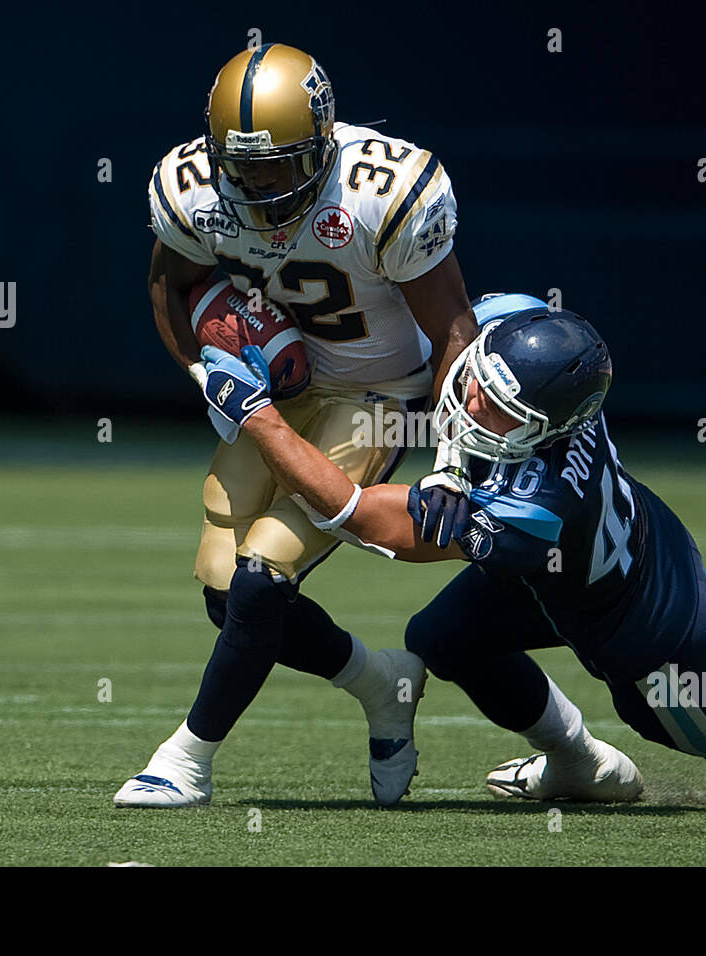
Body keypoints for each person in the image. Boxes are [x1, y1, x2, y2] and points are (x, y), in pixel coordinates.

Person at [185, 293, 706, 805]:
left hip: (645, 624)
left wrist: (257, 414)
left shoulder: (533, 506)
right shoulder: (517, 334)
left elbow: (363, 517)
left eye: (503, 412)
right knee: (443, 639)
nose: (476, 405)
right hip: (598, 554)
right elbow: (461, 335)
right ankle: (575, 761)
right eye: (480, 385)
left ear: (548, 427)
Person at [115, 43, 478, 808]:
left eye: (277, 165)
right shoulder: (192, 189)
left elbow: (452, 332)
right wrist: (204, 371)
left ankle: (186, 760)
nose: (257, 184)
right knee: (225, 589)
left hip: (378, 395)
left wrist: (450, 457)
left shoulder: (386, 191)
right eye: (242, 166)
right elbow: (166, 285)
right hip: (277, 393)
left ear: (322, 138)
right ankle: (384, 684)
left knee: (262, 573)